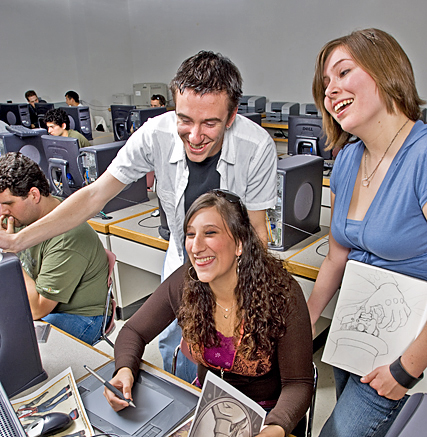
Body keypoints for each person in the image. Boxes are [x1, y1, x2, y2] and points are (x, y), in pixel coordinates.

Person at [0, 51, 277, 383]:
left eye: (210, 123)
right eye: (185, 119)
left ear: (231, 116)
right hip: (182, 253)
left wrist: (249, 295)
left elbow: (258, 231)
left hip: (234, 262)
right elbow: (94, 195)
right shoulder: (155, 133)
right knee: (171, 341)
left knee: (222, 351)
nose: (194, 135)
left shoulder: (256, 146)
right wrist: (17, 241)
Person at [104, 191, 314, 437]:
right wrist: (124, 370)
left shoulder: (282, 295)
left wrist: (276, 426)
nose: (196, 246)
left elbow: (298, 384)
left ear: (239, 243)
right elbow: (133, 331)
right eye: (191, 235)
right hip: (208, 410)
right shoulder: (185, 283)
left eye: (210, 233)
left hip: (267, 418)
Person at [307, 28, 427, 437]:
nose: (331, 90)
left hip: (405, 350)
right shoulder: (348, 159)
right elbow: (338, 256)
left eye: (344, 73)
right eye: (326, 84)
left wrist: (406, 368)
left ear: (385, 70)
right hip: (353, 336)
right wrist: (307, 322)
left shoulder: (423, 158)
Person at [0, 152, 109, 345]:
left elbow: (37, 309)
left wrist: (11, 256)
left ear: (34, 195)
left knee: (19, 347)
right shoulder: (22, 216)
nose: (2, 212)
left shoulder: (67, 236)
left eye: (7, 204)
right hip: (36, 301)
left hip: (79, 316)